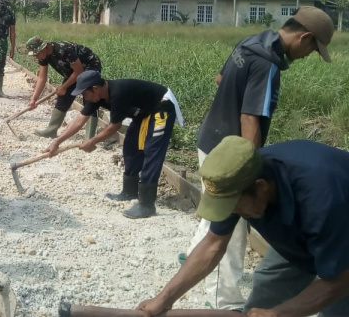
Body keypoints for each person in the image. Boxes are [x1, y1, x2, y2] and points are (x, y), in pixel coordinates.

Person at [183, 5, 335, 311]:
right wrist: (251, 172)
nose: (308, 55)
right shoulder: (268, 63)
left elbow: (220, 79)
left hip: (212, 139)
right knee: (233, 227)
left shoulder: (252, 41)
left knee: (218, 212)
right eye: (313, 49)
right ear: (304, 37)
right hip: (231, 154)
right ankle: (224, 302)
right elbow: (250, 118)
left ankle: (192, 258)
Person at [139, 136, 349, 317]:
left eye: (234, 208)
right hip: (300, 237)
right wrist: (164, 298)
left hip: (342, 237)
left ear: (261, 187)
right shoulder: (235, 178)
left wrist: (279, 314)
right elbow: (213, 244)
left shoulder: (323, 199)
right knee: (264, 298)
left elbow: (340, 280)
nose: (231, 214)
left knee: (336, 309)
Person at [45, 70, 182, 219]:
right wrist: (57, 142)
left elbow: (114, 126)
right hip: (143, 112)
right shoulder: (96, 97)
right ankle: (130, 191)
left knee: (152, 151)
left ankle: (147, 204)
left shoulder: (118, 93)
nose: (84, 97)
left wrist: (93, 141)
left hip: (161, 106)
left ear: (95, 88)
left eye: (84, 93)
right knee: (131, 147)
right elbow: (80, 120)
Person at [25, 36, 103, 139]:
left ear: (44, 48)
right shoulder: (43, 56)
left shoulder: (63, 50)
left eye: (36, 54)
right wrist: (34, 99)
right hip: (72, 71)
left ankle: (89, 138)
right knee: (63, 97)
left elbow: (79, 71)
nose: (36, 57)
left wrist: (64, 86)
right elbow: (42, 78)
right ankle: (51, 130)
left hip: (89, 67)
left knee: (90, 99)